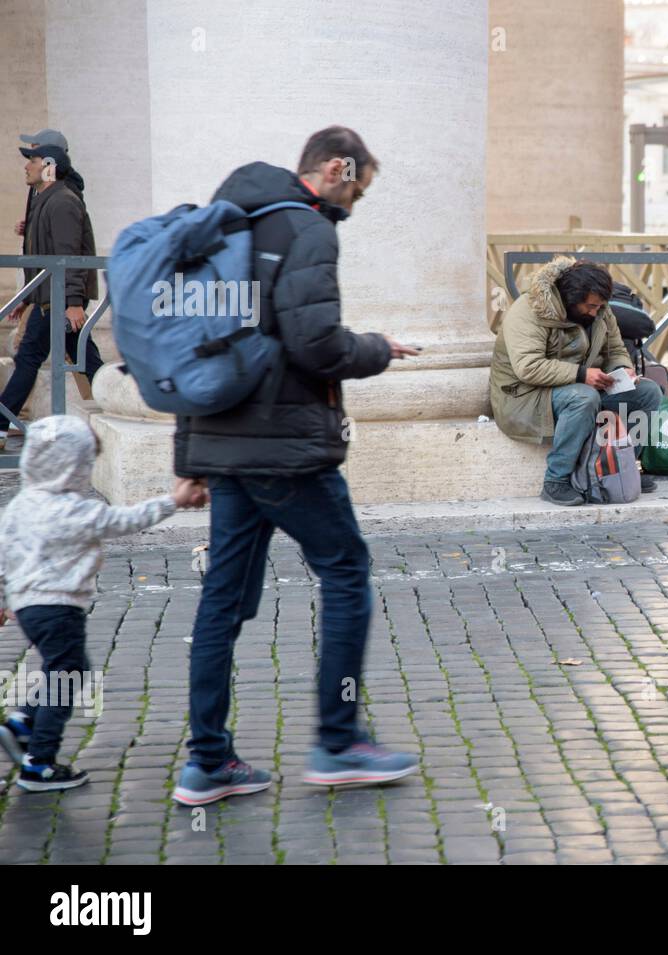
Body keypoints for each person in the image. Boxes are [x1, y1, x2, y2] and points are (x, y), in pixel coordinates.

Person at [171, 126, 421, 807]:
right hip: (283, 444)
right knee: (345, 570)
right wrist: (377, 348)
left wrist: (189, 457)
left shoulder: (224, 230)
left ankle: (207, 762)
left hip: (226, 445)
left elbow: (192, 349)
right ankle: (338, 742)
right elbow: (315, 344)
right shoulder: (307, 229)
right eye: (357, 190)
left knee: (221, 600)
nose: (353, 205)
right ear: (338, 168)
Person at [0, 416, 206, 791]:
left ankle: (23, 721)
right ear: (74, 467)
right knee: (67, 674)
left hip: (28, 607)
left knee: (66, 667)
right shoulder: (75, 510)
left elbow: (3, 552)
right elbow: (126, 520)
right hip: (60, 607)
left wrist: (3, 598)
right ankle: (39, 763)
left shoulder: (20, 505)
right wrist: (173, 501)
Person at [490, 256, 662, 505]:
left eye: (600, 306)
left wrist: (624, 370)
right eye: (590, 306)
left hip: (579, 384)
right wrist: (582, 374)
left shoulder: (600, 310)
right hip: (525, 395)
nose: (595, 312)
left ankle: (623, 465)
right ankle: (556, 481)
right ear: (571, 297)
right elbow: (528, 367)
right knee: (583, 397)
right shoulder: (527, 310)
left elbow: (615, 349)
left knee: (648, 392)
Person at [1, 138, 103, 449]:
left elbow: (67, 256)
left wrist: (73, 302)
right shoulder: (46, 199)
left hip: (60, 299)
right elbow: (40, 254)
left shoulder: (62, 202)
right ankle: (118, 404)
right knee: (85, 356)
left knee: (30, 356)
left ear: (48, 168)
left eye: (32, 160)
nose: (26, 166)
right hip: (49, 297)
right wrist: (27, 297)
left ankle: (1, 425)